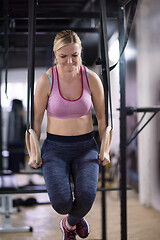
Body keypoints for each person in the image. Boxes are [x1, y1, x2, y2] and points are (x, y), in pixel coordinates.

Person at [29, 30, 110, 240]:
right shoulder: (46, 80)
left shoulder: (91, 78)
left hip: (85, 147)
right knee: (61, 203)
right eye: (63, 56)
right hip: (55, 148)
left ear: (80, 51)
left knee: (86, 197)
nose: (69, 61)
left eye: (74, 55)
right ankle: (71, 218)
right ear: (55, 54)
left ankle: (70, 223)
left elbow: (102, 118)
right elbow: (35, 122)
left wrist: (105, 149)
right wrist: (33, 152)